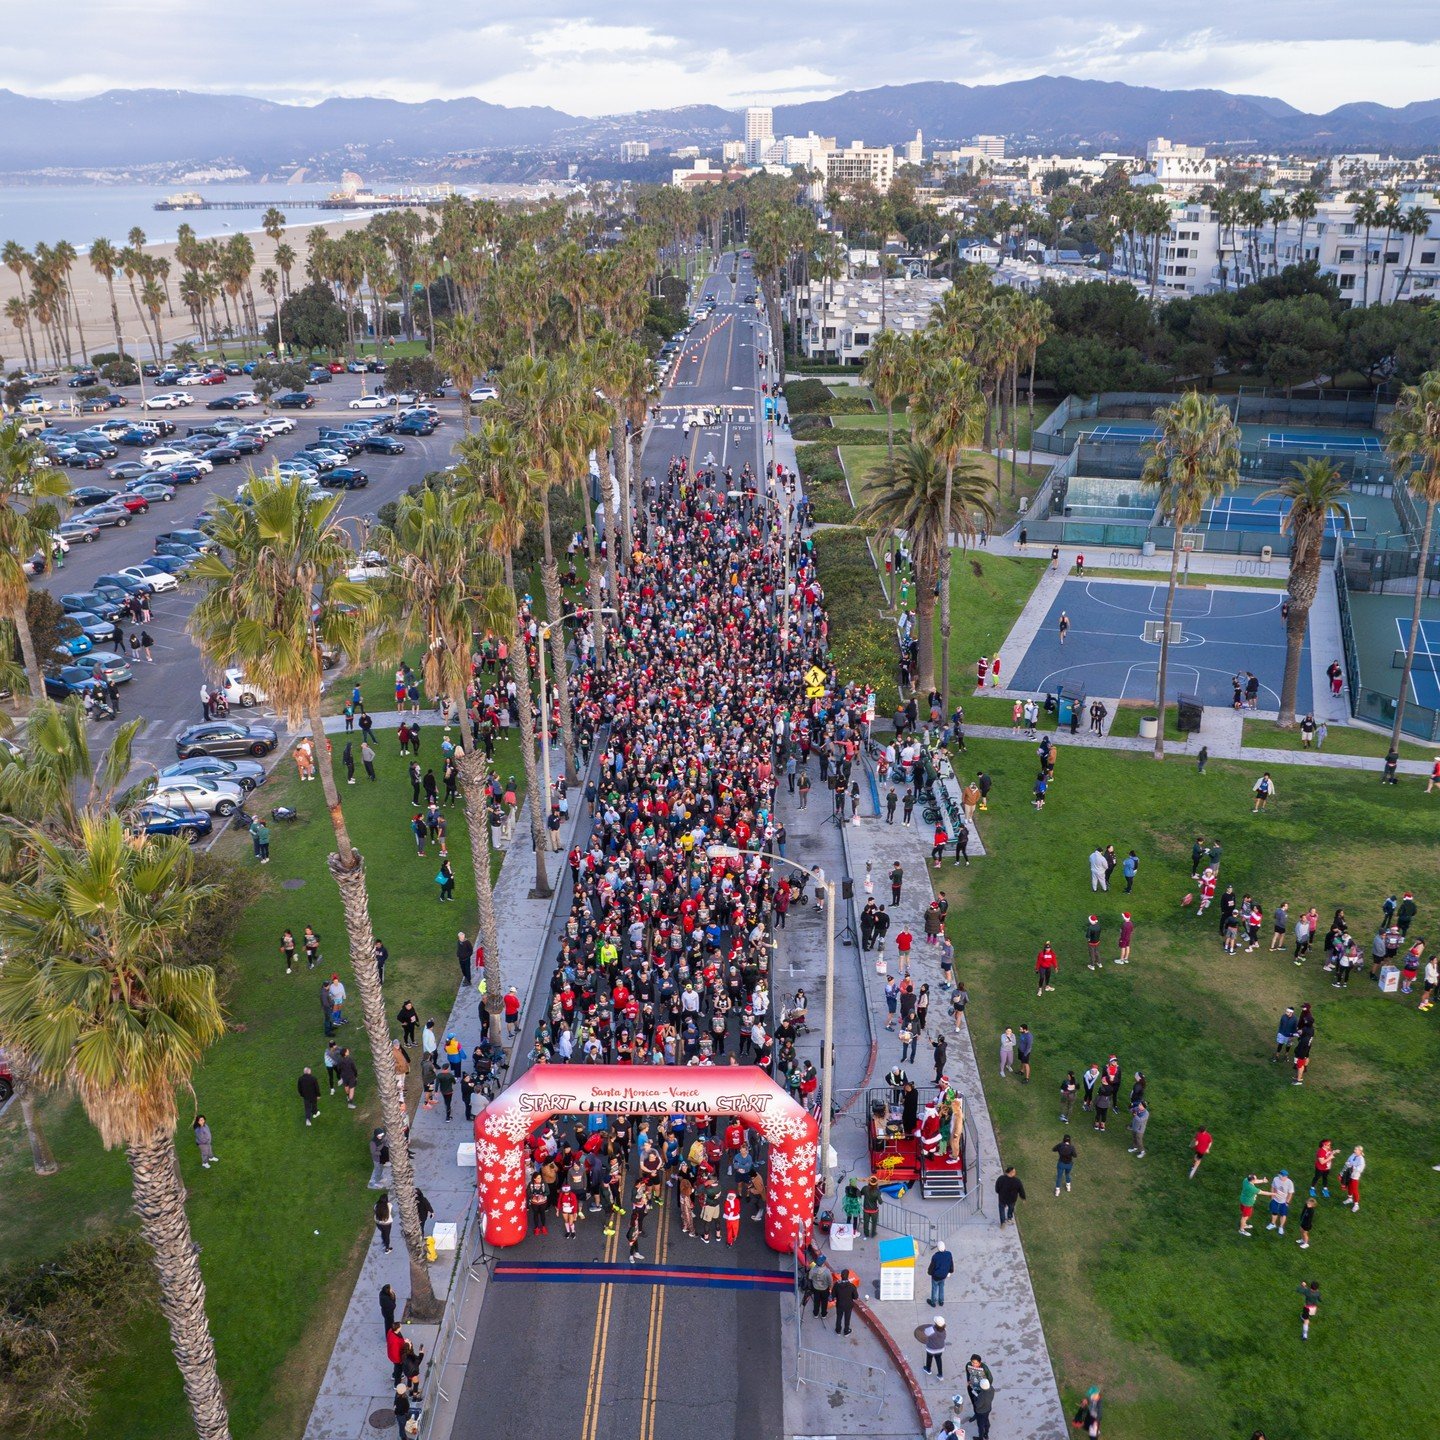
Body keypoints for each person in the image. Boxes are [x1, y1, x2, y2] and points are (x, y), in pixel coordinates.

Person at [1266, 1170, 1295, 1235]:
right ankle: (1273, 1224)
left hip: (1284, 1201)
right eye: (1279, 1175)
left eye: (1281, 1176)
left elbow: (1290, 1193)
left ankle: (1281, 1227)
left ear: (1286, 1177)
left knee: (1283, 1214)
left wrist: (1287, 1202)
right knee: (1274, 1212)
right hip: (1275, 1199)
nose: (1279, 1177)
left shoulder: (1290, 1183)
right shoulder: (1276, 1179)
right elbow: (1272, 1187)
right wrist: (1272, 1196)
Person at [832, 1267, 858, 1335]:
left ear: (841, 1276)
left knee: (839, 1317)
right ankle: (846, 1331)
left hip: (839, 1304)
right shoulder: (852, 1286)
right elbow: (856, 1297)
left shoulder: (837, 1285)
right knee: (847, 1318)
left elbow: (833, 1295)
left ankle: (838, 1330)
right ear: (848, 1276)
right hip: (848, 1305)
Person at [927, 1241, 954, 1306]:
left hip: (936, 1276)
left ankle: (933, 1302)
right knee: (941, 1288)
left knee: (934, 1289)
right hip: (943, 1275)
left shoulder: (935, 1256)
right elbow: (951, 1264)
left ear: (938, 1248)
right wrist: (950, 1271)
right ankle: (941, 1301)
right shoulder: (949, 1254)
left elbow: (932, 1267)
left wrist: (929, 1272)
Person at [1340, 1145, 1365, 1211]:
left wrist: (1353, 1167)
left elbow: (1360, 1169)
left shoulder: (1361, 1159)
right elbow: (1348, 1161)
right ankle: (1350, 1199)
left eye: (1356, 1150)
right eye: (1354, 1149)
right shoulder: (1353, 1155)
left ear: (1360, 1151)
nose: (1354, 1151)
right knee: (1349, 1187)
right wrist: (1347, 1164)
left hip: (1354, 1177)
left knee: (1355, 1190)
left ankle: (1356, 1205)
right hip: (1349, 1175)